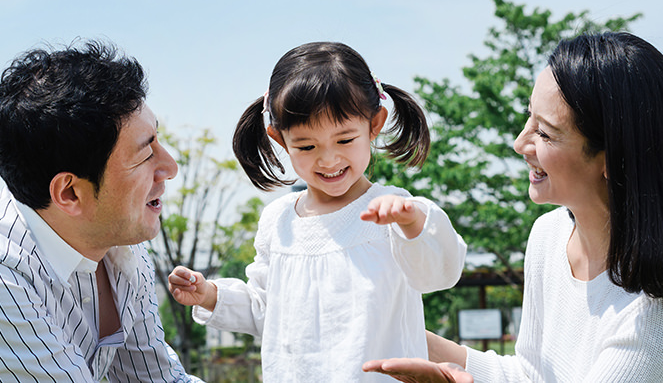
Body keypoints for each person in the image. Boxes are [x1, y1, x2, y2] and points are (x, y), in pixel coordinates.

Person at [364, 32, 663, 382]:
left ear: (615, 159)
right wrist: (397, 330)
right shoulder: (549, 235)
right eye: (529, 116)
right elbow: (532, 373)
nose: (519, 142)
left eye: (544, 132)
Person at [0, 40, 202, 382]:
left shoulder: (123, 248)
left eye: (157, 140)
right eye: (144, 153)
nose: (170, 166)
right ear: (70, 193)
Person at [167, 41, 467, 382]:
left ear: (375, 124)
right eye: (307, 146)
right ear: (280, 139)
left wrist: (412, 222)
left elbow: (441, 273)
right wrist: (209, 295)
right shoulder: (279, 220)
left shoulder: (395, 210)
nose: (328, 159)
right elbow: (268, 312)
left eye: (344, 140)